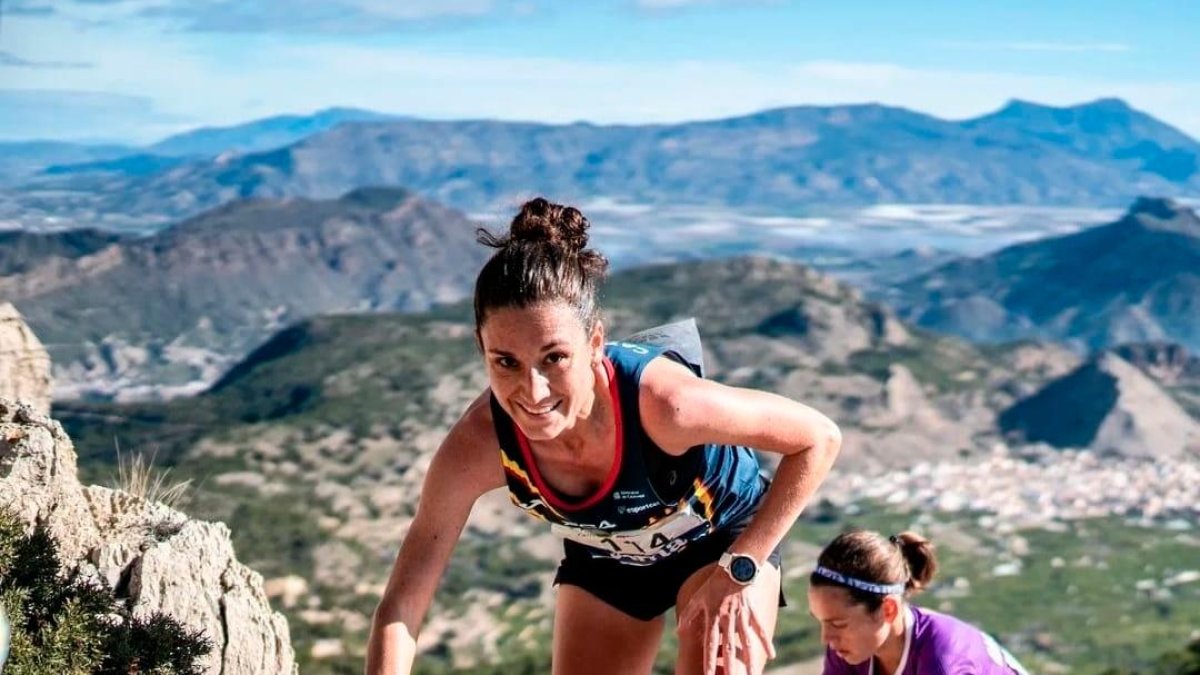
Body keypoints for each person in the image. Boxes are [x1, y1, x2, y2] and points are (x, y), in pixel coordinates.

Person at [366, 197, 842, 675]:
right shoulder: (480, 444)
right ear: (481, 349)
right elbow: (402, 605)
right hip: (608, 556)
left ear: (595, 344)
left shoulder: (666, 405)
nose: (532, 391)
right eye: (505, 362)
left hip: (718, 540)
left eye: (555, 358)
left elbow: (818, 438)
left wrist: (744, 565)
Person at [808, 530, 1030, 675]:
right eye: (822, 622)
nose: (826, 638)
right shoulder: (847, 649)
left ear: (888, 609)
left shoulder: (943, 659)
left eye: (838, 624)